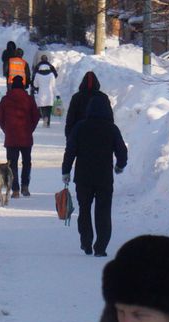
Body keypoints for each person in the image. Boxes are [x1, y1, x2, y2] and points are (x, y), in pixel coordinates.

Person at [61, 96, 126, 257]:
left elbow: (70, 151)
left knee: (84, 209)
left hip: (83, 177)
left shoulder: (79, 127)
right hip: (104, 177)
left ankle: (86, 241)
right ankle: (101, 247)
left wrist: (66, 170)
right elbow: (122, 151)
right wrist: (119, 166)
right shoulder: (111, 128)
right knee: (103, 211)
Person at [0, 76, 40, 198]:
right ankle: (25, 186)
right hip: (25, 137)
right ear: (23, 86)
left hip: (11, 138)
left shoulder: (5, 100)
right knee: (27, 162)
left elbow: (0, 118)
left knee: (12, 164)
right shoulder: (29, 99)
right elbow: (36, 117)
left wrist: (6, 130)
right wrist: (29, 129)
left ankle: (15, 190)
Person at [64, 71, 111, 141]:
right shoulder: (103, 97)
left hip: (79, 136)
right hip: (100, 136)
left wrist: (69, 137)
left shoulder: (76, 97)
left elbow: (70, 119)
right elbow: (109, 119)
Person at [32, 55, 59, 127]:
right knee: (48, 108)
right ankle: (48, 122)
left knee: (42, 107)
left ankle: (44, 118)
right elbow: (53, 86)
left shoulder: (37, 74)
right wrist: (57, 94)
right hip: (49, 94)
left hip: (41, 93)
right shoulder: (51, 75)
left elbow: (35, 85)